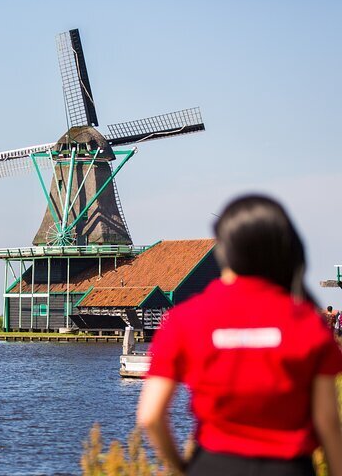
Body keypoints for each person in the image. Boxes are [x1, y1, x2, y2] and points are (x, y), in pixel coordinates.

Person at [136, 195, 342, 476]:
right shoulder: (307, 322)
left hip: (213, 464)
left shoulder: (185, 319)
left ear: (223, 249)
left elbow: (150, 416)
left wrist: (183, 468)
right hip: (288, 468)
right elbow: (328, 421)